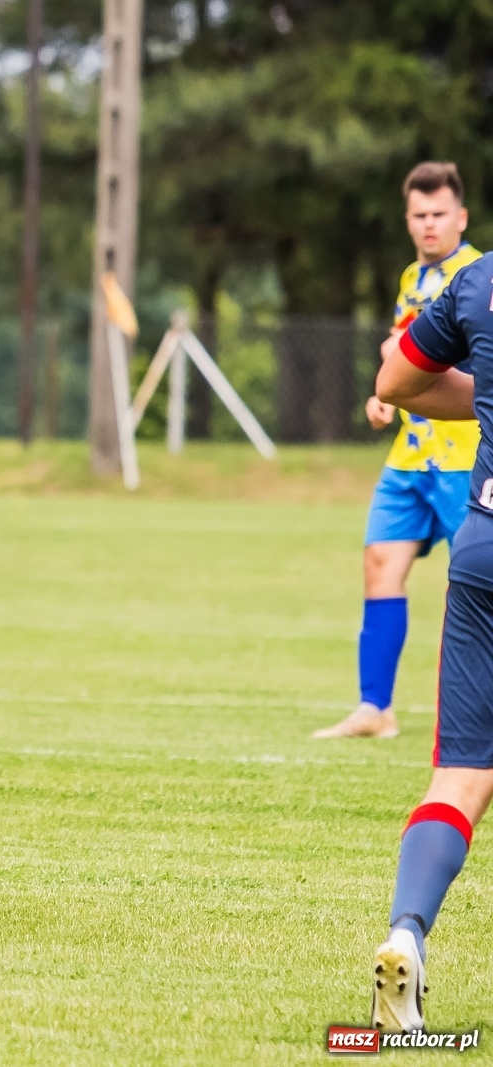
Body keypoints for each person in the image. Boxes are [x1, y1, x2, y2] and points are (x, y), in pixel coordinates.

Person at [362, 243, 493, 1031]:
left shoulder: (478, 281)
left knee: (462, 774)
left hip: (484, 546)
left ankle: (405, 931)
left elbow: (395, 382)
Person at [315, 162, 481, 740]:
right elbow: (409, 364)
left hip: (466, 458)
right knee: (380, 564)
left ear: (461, 216)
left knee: (477, 584)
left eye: (439, 214)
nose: (429, 224)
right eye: (419, 215)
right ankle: (375, 708)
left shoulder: (476, 277)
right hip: (412, 455)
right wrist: (383, 397)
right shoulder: (413, 277)